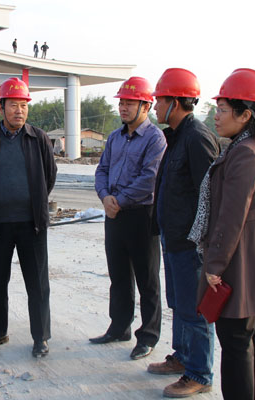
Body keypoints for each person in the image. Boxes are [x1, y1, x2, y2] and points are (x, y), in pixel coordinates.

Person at [189, 68, 255, 400]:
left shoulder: (245, 153)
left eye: (222, 110)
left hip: (241, 260)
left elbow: (230, 219)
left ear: (245, 114)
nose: (216, 117)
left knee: (235, 342)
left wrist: (214, 266)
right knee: (253, 336)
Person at [0, 77, 57, 358]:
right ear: (0, 107)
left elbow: (49, 176)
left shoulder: (39, 138)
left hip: (32, 224)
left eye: (24, 105)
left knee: (37, 283)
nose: (19, 111)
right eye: (13, 105)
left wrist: (32, 201)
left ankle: (40, 337)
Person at [148, 68, 220, 398]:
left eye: (159, 100)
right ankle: (182, 357)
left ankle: (199, 374)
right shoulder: (176, 136)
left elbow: (211, 194)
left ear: (175, 102)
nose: (155, 106)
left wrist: (203, 242)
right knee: (179, 304)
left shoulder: (197, 138)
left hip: (190, 243)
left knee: (194, 310)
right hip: (173, 237)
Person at [92, 77, 166, 361]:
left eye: (129, 103)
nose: (123, 107)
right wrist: (105, 197)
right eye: (121, 102)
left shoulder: (155, 139)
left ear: (145, 106)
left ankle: (147, 336)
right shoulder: (115, 137)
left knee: (147, 279)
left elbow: (150, 178)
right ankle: (119, 327)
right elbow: (102, 170)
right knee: (119, 275)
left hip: (141, 216)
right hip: (114, 214)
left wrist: (119, 201)